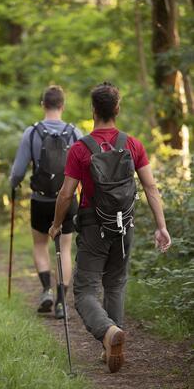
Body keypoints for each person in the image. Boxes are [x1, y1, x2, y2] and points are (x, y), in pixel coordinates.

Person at [49, 81, 171, 372]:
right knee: (115, 284)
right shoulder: (133, 144)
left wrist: (56, 225)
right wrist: (161, 226)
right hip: (124, 225)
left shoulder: (80, 149)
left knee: (83, 291)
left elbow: (66, 193)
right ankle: (112, 343)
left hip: (93, 226)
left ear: (93, 110)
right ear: (117, 109)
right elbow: (151, 187)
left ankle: (108, 333)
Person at [10, 85, 82, 319]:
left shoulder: (31, 132)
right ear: (62, 106)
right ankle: (62, 303)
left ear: (43, 105)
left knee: (40, 245)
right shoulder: (74, 133)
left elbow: (18, 171)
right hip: (68, 199)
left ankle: (46, 290)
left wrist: (13, 184)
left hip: (40, 200)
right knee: (64, 247)